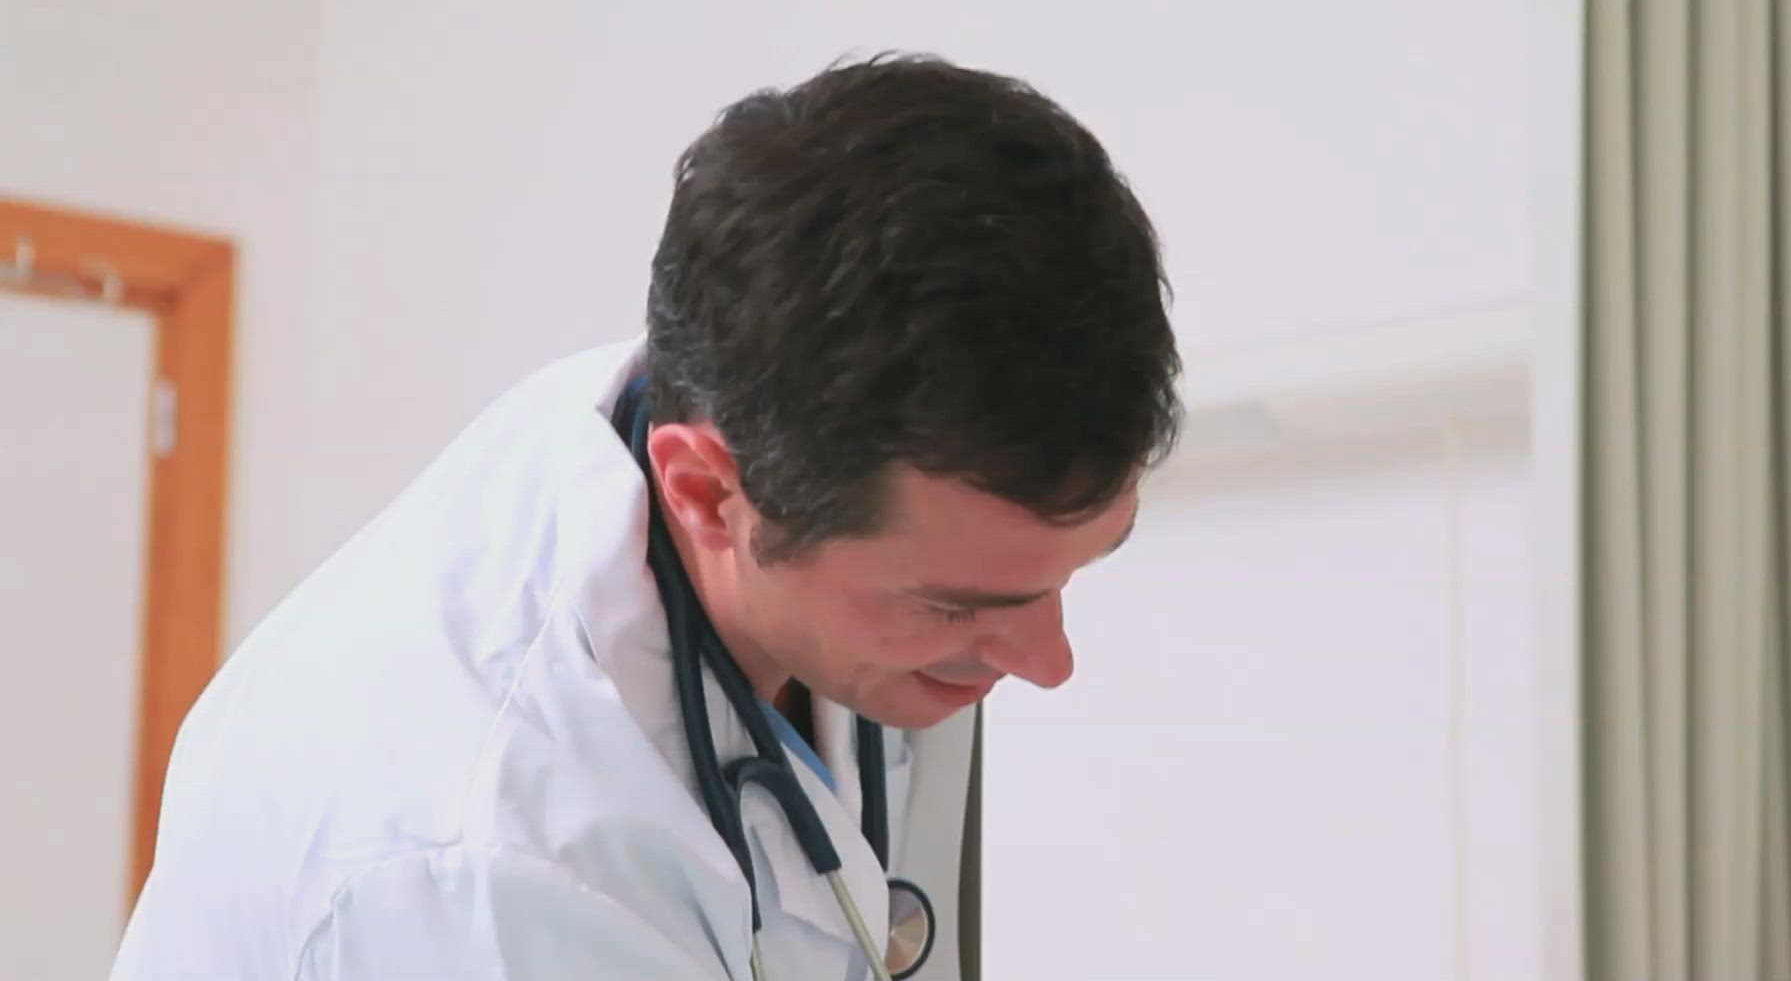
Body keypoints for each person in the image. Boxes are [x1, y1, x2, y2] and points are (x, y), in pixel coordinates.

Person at [109, 52, 1182, 980]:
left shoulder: (763, 408)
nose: (1050, 662)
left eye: (1073, 572)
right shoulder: (489, 868)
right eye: (955, 605)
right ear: (707, 495)